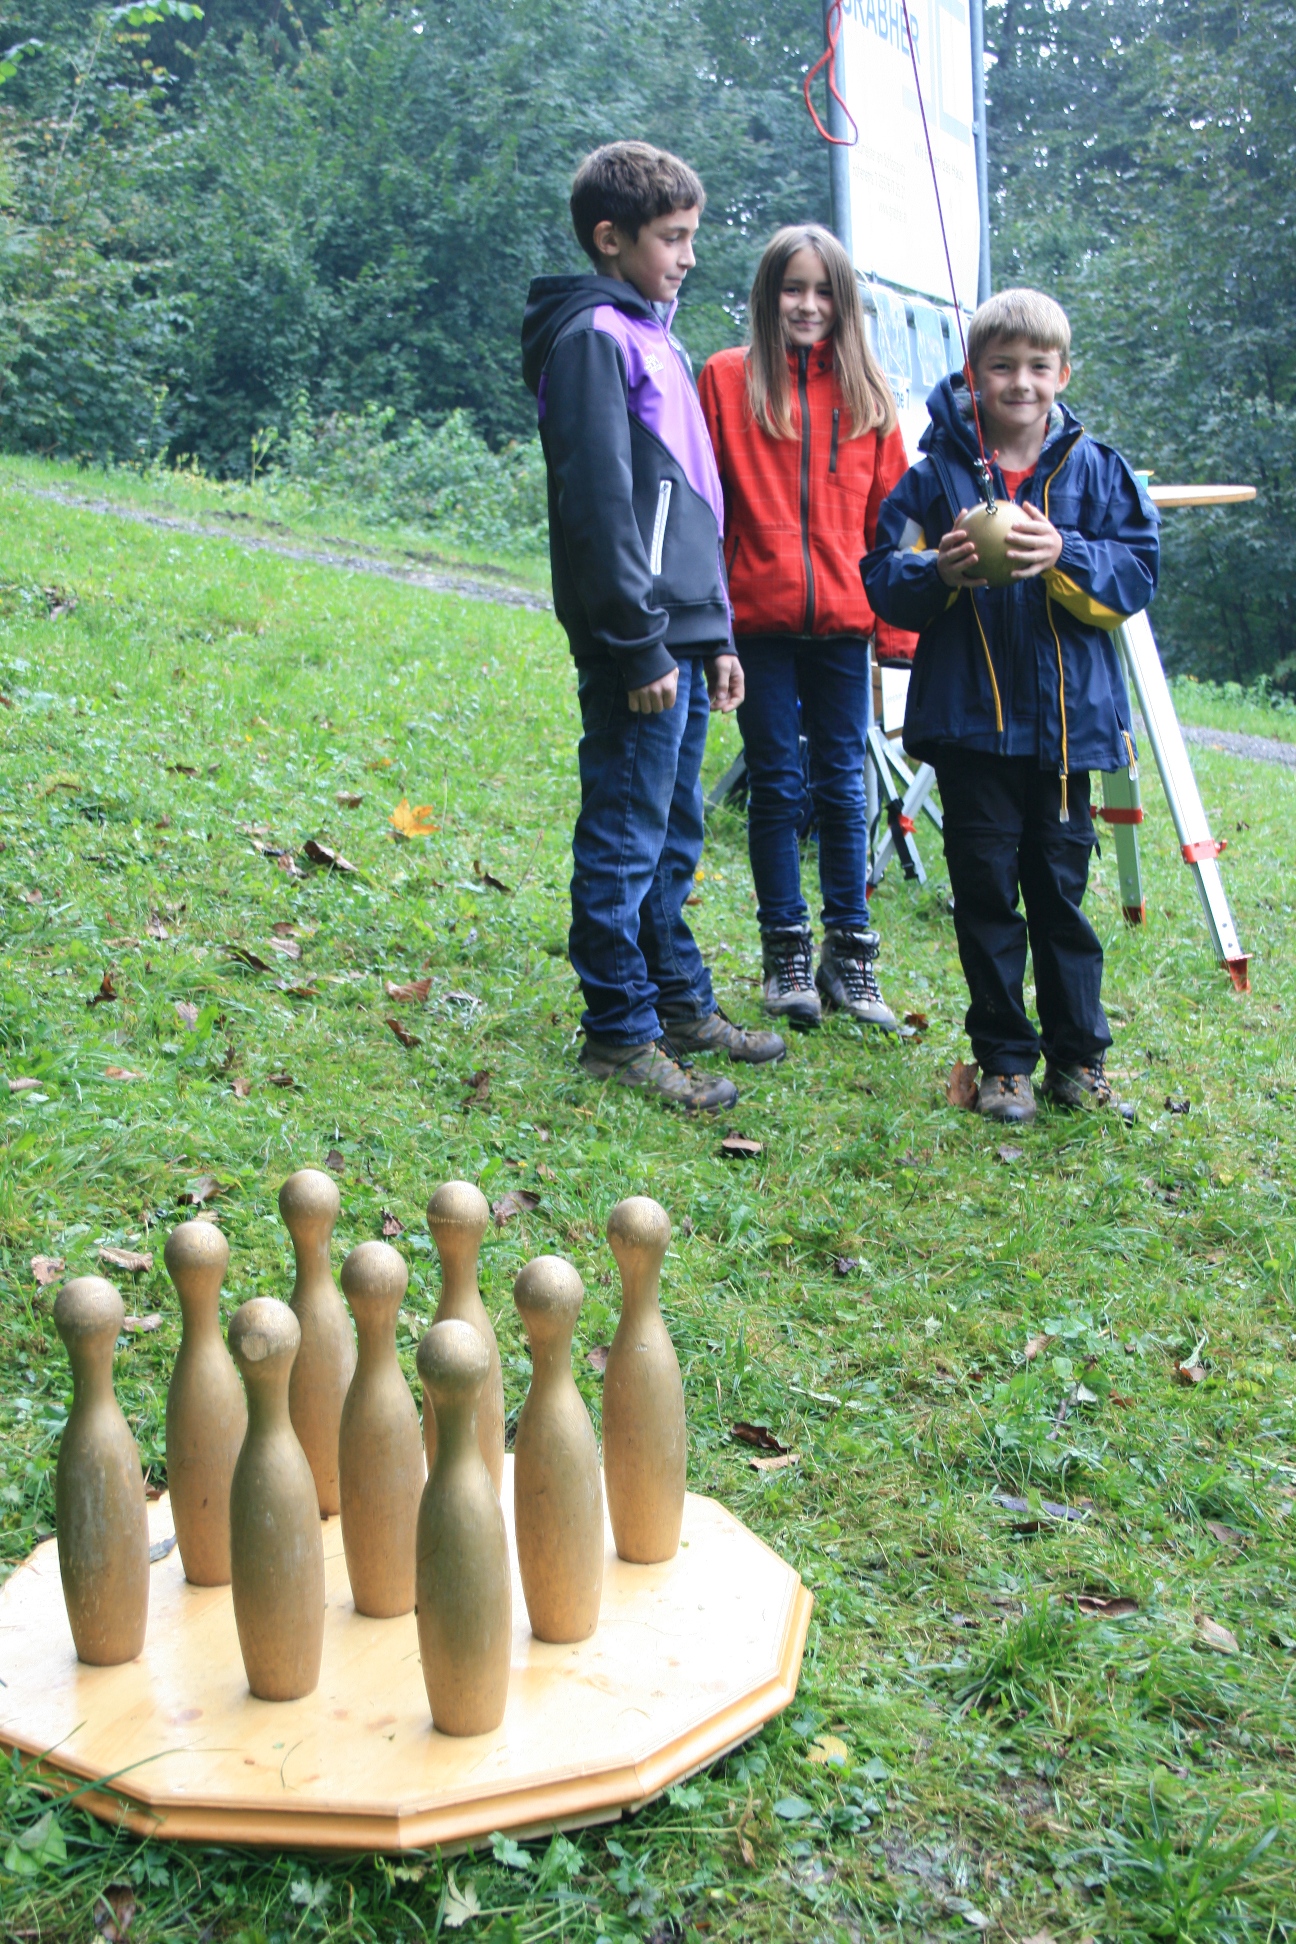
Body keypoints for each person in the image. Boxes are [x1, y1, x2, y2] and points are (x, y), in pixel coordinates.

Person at [520, 141, 786, 1111]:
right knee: (627, 834)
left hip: (680, 635)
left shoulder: (652, 334)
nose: (687, 256)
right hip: (637, 643)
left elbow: (688, 501)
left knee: (674, 831)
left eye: (690, 236)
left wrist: (714, 634)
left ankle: (676, 1001)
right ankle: (619, 1032)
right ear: (610, 237)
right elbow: (600, 506)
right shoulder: (595, 338)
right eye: (672, 238)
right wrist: (638, 643)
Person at [863, 287, 1160, 1124]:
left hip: (1067, 736)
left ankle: (1079, 1060)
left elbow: (1137, 574)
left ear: (1063, 373)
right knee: (987, 897)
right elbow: (883, 575)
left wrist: (1066, 552)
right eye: (1002, 366)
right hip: (971, 733)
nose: (1020, 382)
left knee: (1061, 899)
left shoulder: (1098, 471)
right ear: (974, 375)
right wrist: (940, 572)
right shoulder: (933, 478)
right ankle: (1003, 1063)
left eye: (1038, 366)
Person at [699, 225, 916, 1031]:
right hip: (756, 619)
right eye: (793, 288)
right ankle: (784, 951)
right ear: (768, 295)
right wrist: (711, 626)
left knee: (843, 784)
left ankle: (850, 956)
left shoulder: (870, 396)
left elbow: (894, 527)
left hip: (843, 625)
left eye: (824, 291)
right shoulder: (726, 379)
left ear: (844, 302)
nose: (808, 305)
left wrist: (897, 637)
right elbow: (704, 509)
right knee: (777, 783)